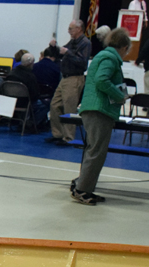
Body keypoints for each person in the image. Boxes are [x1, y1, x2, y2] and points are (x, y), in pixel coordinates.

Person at [69, 28, 130, 206]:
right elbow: (102, 80)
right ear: (124, 47)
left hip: (94, 108)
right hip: (99, 109)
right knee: (96, 152)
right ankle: (81, 189)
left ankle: (84, 186)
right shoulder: (110, 58)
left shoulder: (104, 55)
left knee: (94, 151)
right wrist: (120, 96)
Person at [45, 20, 91, 146]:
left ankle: (69, 137)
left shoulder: (85, 43)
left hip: (74, 78)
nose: (68, 31)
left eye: (71, 28)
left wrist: (68, 53)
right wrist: (53, 47)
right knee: (55, 105)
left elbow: (82, 62)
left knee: (69, 108)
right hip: (64, 78)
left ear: (79, 29)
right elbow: (60, 53)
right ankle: (57, 134)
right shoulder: (72, 42)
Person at [5, 53, 49, 126]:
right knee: (46, 104)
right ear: (31, 64)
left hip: (11, 102)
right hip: (25, 103)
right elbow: (34, 95)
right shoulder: (30, 76)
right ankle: (31, 123)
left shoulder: (11, 73)